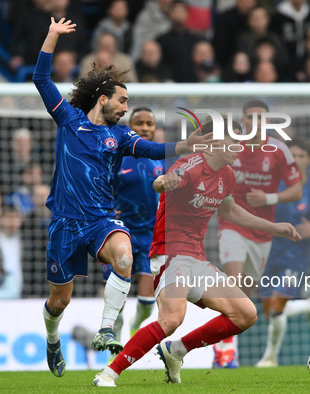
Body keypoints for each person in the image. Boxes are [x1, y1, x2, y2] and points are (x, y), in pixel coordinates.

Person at [32, 17, 213, 378]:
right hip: (65, 223)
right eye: (123, 100)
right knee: (59, 300)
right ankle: (52, 340)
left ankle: (106, 328)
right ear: (103, 99)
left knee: (125, 257)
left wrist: (186, 145)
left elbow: (151, 148)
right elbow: (41, 79)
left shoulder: (121, 136)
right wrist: (52, 37)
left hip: (101, 219)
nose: (126, 107)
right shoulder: (68, 120)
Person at [92, 117, 301, 387]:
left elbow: (230, 211)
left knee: (246, 314)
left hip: (196, 258)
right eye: (234, 141)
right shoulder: (190, 165)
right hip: (170, 254)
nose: (240, 147)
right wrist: (164, 182)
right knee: (171, 319)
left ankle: (176, 350)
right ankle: (109, 373)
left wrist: (276, 228)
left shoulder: (227, 175)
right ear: (213, 142)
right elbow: (168, 180)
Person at [214, 99, 302, 368]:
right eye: (250, 117)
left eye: (261, 118)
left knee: (245, 294)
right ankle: (225, 349)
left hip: (262, 233)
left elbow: (296, 190)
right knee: (234, 277)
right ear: (244, 121)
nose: (256, 122)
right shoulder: (233, 146)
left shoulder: (278, 150)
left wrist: (270, 198)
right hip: (232, 224)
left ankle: (223, 340)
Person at [256, 138, 310, 367]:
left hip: (296, 255)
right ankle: (309, 305)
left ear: (309, 160)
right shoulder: (272, 185)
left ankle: (270, 357)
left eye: (301, 156)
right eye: (293, 155)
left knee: (279, 303)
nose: (297, 160)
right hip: (270, 253)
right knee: (270, 310)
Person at [102, 107, 163, 344]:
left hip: (151, 235)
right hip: (120, 234)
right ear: (130, 126)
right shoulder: (116, 156)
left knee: (148, 303)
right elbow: (102, 187)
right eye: (140, 123)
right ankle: (113, 344)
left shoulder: (161, 157)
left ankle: (135, 325)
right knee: (116, 300)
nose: (145, 127)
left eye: (150, 123)